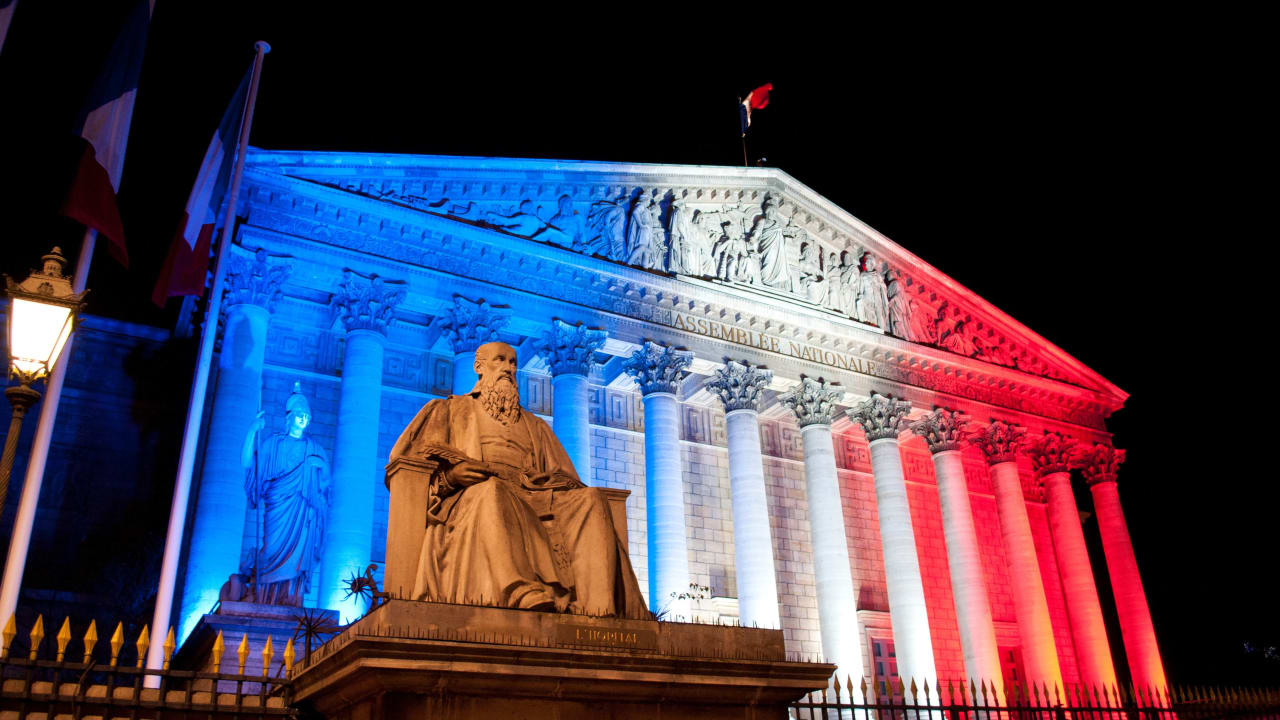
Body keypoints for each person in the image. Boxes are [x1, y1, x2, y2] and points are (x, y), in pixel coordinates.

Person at [389, 341, 649, 618]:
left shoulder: (534, 425)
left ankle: (599, 609)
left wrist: (547, 480)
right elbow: (409, 467)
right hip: (473, 496)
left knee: (590, 500)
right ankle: (518, 590)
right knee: (492, 490)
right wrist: (452, 478)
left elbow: (568, 479)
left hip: (533, 497)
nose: (508, 369)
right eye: (500, 360)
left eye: (513, 363)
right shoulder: (450, 411)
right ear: (479, 367)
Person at [240, 382, 330, 605]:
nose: (303, 419)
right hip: (278, 506)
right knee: (270, 548)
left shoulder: (315, 449)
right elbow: (249, 465)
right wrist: (252, 432)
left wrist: (318, 468)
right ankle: (263, 597)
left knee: (299, 556)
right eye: (299, 414)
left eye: (306, 416)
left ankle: (290, 597)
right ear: (289, 417)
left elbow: (325, 486)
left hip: (303, 512)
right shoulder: (273, 444)